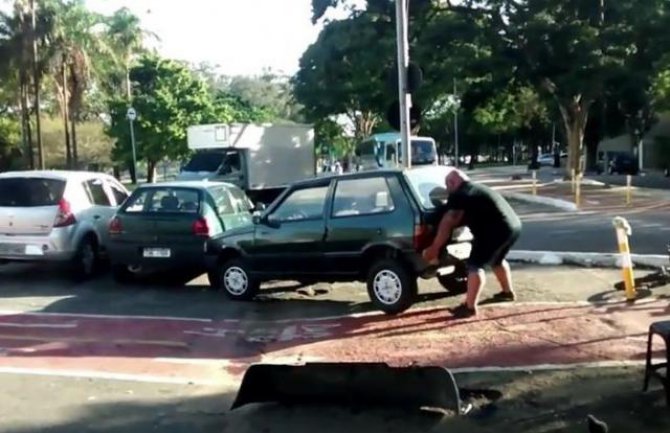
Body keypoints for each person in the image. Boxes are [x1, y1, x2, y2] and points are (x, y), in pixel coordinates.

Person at [422, 169, 522, 318]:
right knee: (497, 259)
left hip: (494, 230)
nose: (447, 191)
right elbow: (448, 211)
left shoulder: (460, 194)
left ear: (452, 183)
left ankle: (469, 307)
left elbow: (449, 220)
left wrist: (434, 248)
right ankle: (507, 293)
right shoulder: (475, 189)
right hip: (513, 226)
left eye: (447, 186)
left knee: (475, 265)